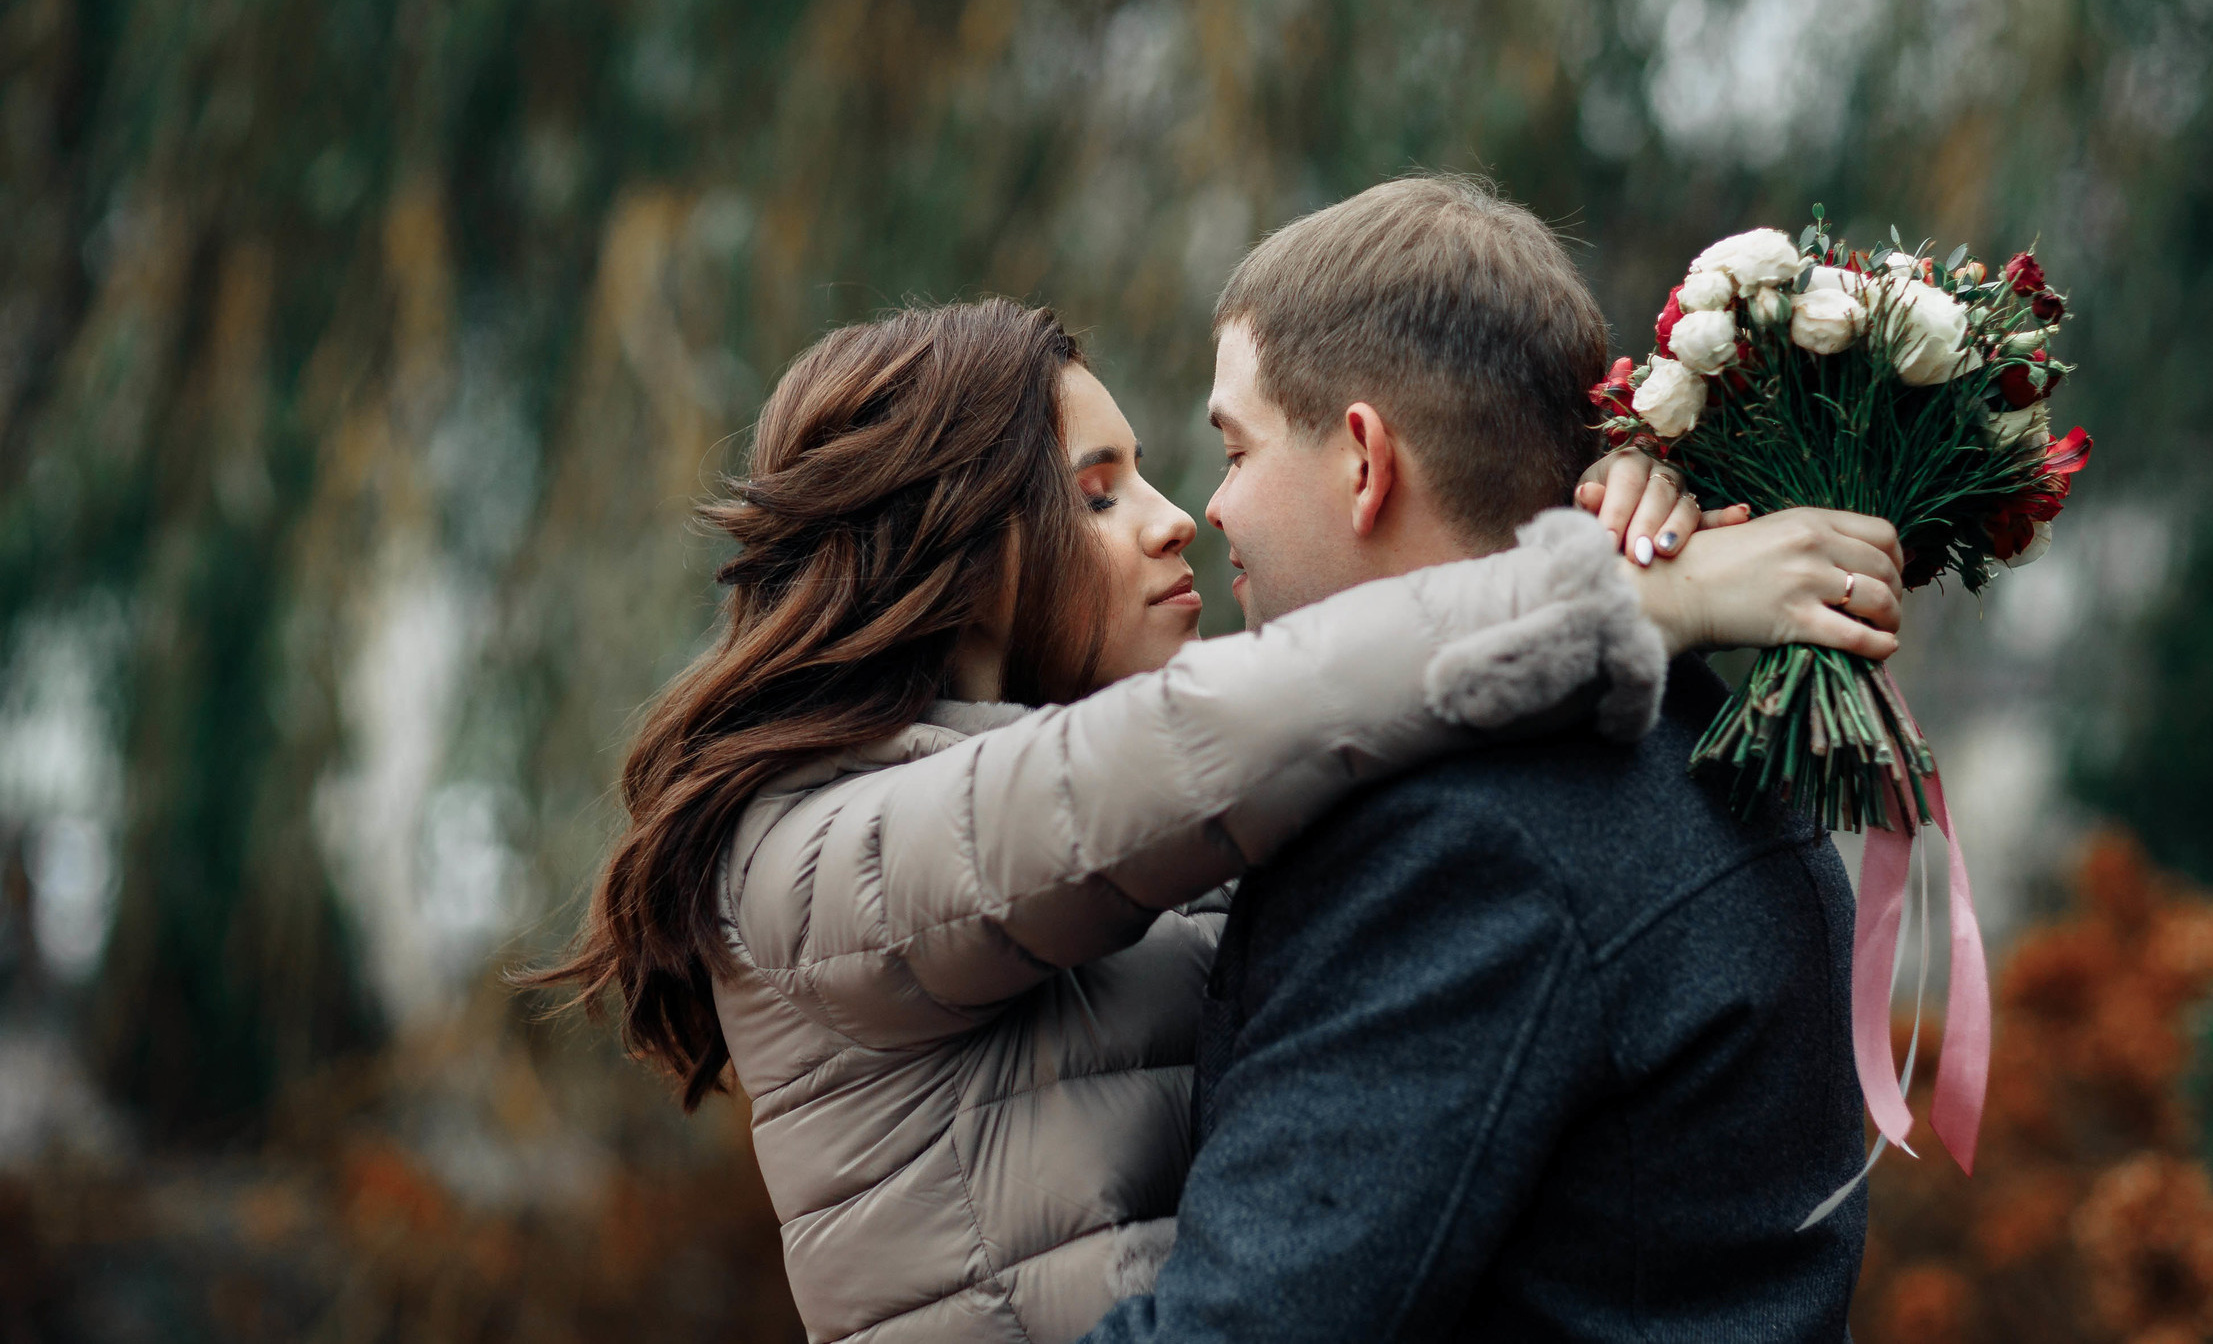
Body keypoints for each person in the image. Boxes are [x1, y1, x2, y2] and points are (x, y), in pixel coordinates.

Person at [541, 262, 1899, 1344]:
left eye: (1170, 465)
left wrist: (1599, 509)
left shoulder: (1146, 827)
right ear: (958, 536)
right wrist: (1620, 595)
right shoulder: (811, 853)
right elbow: (1219, 732)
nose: (1177, 515)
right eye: (1098, 490)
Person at [1079, 175, 1897, 1344]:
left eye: (1235, 446)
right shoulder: (1692, 741)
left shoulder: (1468, 839)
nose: (1212, 510)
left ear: (1363, 458)